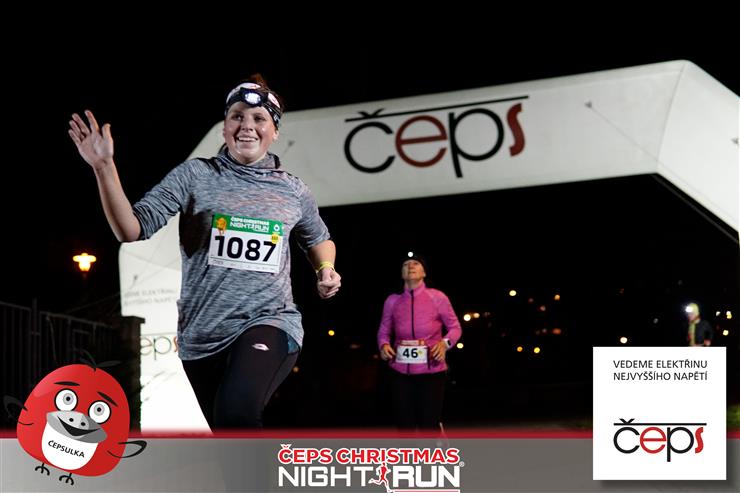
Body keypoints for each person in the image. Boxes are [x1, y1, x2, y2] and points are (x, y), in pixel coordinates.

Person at [68, 74, 341, 430]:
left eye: (259, 119)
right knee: (227, 432)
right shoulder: (195, 175)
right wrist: (104, 168)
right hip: (201, 337)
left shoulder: (293, 191)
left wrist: (325, 267)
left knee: (237, 415)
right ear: (224, 127)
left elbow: (319, 238)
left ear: (274, 132)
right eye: (237, 116)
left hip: (269, 322)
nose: (247, 126)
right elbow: (131, 229)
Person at [377, 254, 462, 431]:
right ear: (401, 273)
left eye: (415, 263)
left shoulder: (438, 297)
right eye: (406, 264)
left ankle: (434, 441)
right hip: (400, 370)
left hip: (432, 370)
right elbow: (384, 330)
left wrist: (444, 344)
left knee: (428, 422)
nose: (410, 266)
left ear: (424, 272)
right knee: (404, 423)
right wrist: (383, 345)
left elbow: (455, 328)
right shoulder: (392, 301)